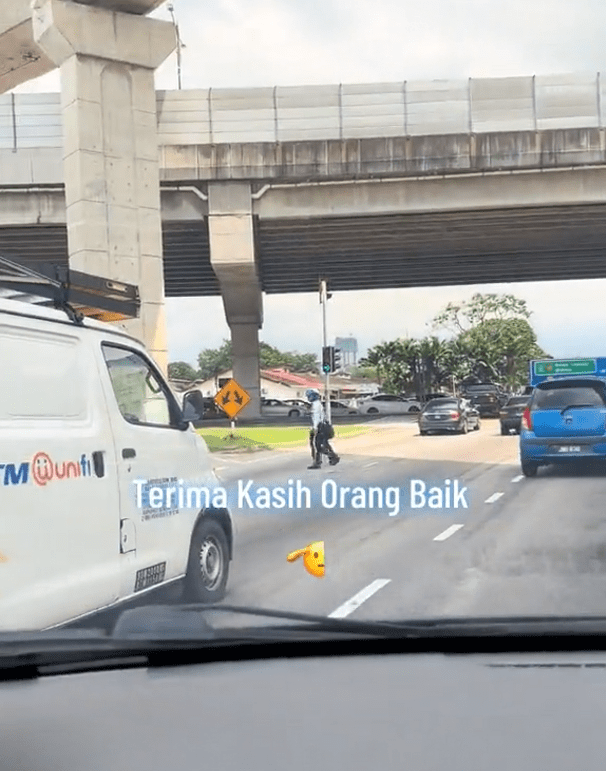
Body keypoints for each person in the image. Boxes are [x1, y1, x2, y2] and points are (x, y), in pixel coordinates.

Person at [305, 388, 340, 469]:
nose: (308, 397)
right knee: (323, 444)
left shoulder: (316, 405)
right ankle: (333, 457)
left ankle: (318, 462)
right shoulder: (317, 404)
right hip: (322, 426)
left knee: (316, 445)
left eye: (309, 395)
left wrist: (314, 429)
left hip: (319, 427)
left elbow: (316, 418)